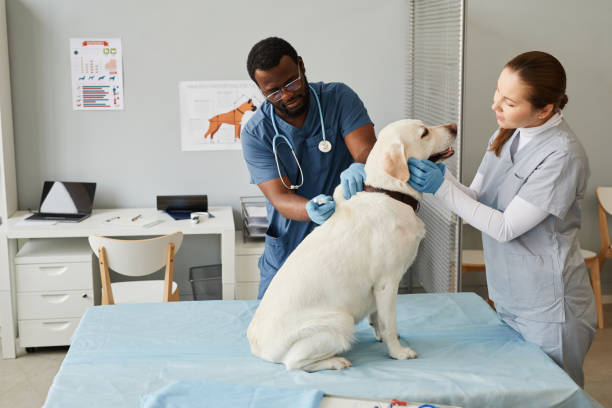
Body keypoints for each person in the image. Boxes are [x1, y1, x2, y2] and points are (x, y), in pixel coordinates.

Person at [406, 51, 597, 387]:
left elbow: (506, 227)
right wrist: (442, 176)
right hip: (510, 297)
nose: (496, 106)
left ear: (545, 109)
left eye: (508, 102)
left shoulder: (562, 155)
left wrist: (440, 189)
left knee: (553, 394)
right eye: (498, 92)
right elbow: (476, 200)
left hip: (549, 308)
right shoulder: (507, 132)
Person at [241, 37, 376, 299]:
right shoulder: (257, 133)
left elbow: (366, 149)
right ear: (260, 90)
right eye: (274, 92)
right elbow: (280, 197)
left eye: (291, 82)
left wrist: (360, 165)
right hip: (289, 247)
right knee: (274, 325)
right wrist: (310, 210)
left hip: (345, 239)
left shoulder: (338, 99)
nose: (287, 95)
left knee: (345, 322)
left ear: (301, 65)